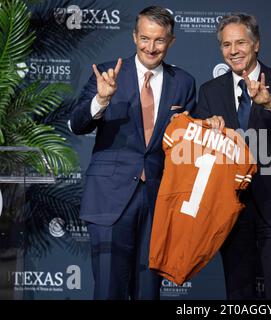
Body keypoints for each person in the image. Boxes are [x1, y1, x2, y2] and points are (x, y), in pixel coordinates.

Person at [70, 6, 196, 300]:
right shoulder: (107, 73)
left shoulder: (185, 82)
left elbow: (187, 145)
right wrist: (100, 100)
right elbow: (77, 124)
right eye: (144, 38)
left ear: (172, 41)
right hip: (109, 198)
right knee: (108, 289)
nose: (150, 47)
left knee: (148, 290)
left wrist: (207, 127)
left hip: (159, 199)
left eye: (159, 40)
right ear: (134, 36)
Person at [193, 13, 271, 299]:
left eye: (240, 43)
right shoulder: (209, 91)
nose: (233, 50)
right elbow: (197, 148)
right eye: (226, 45)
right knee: (238, 292)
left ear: (256, 44)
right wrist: (205, 130)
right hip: (230, 207)